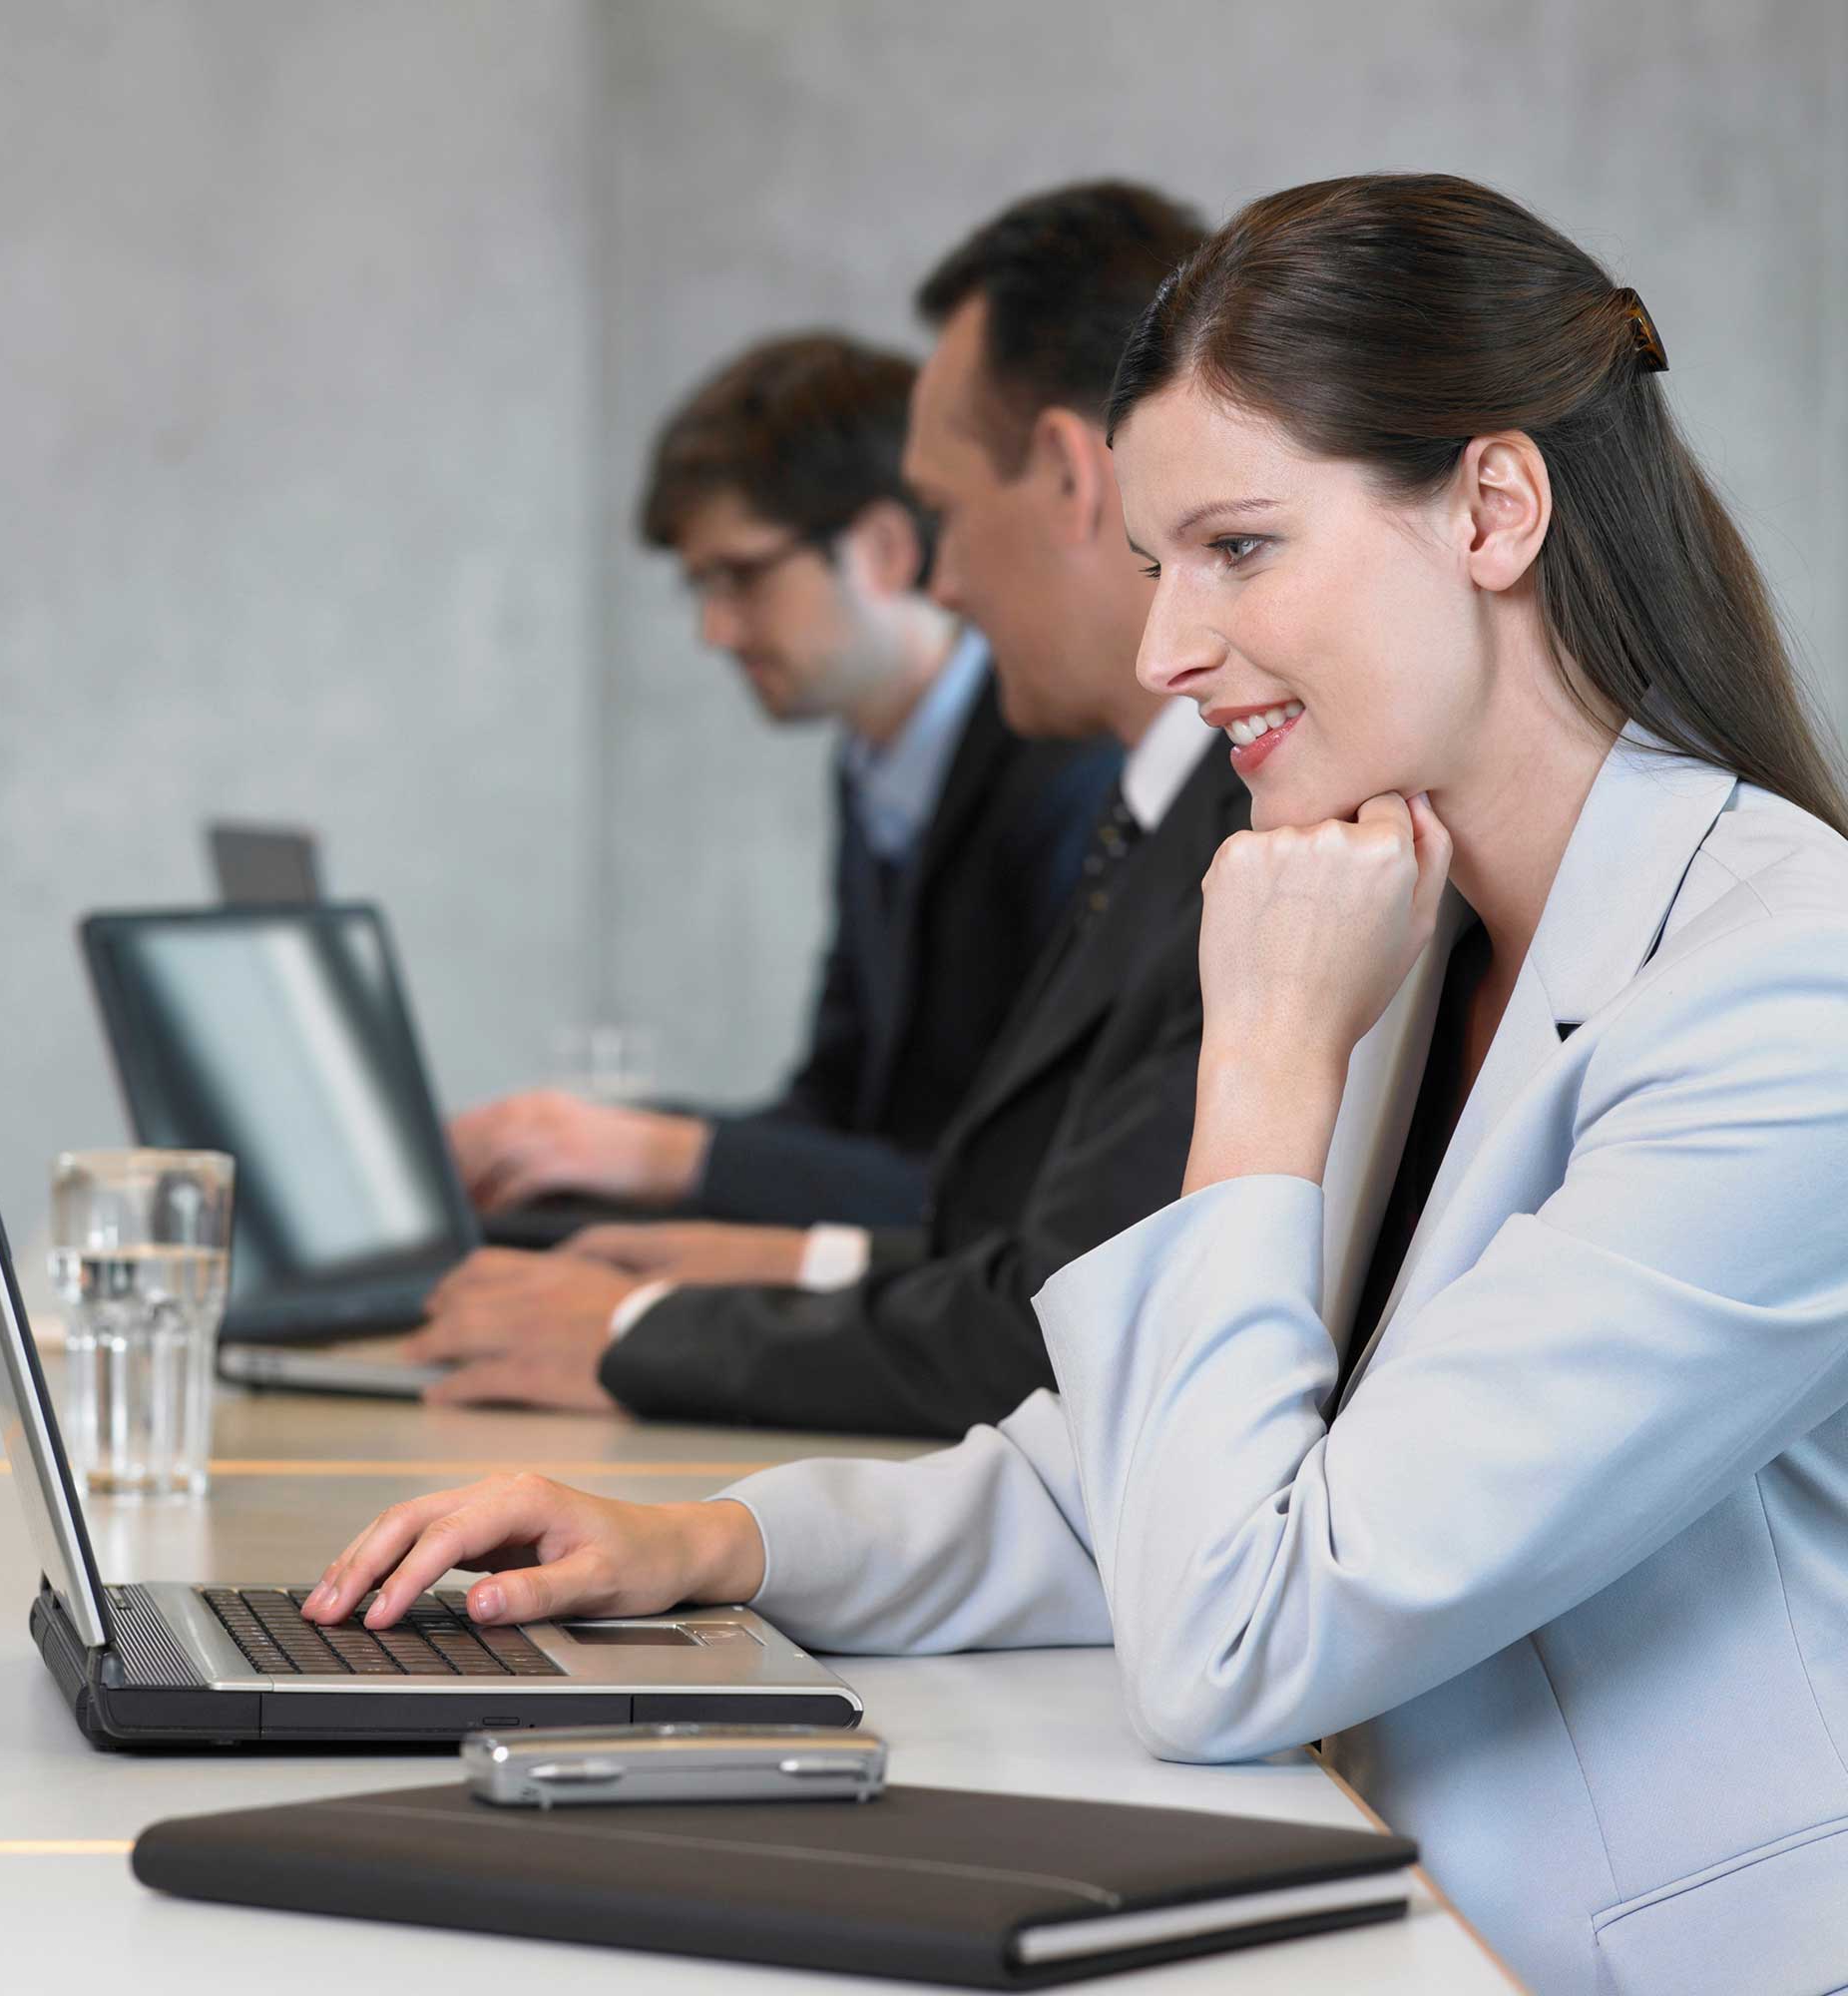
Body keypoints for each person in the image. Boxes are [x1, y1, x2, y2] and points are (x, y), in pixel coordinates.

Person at [308, 175, 1848, 1994]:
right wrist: (701, 1542)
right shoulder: (1418, 917)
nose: (1164, 653)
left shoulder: (1782, 1000)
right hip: (1375, 1900)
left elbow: (1247, 1633)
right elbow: (1134, 1476)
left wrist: (1268, 1069)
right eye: (1151, 565)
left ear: (1494, 508)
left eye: (1240, 548)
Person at [399, 183, 1248, 1433]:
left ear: (1070, 478)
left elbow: (1049, 1308)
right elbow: (988, 1225)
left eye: (947, 515)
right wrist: (737, 1260)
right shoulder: (1113, 797)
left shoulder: (1186, 818)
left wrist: (650, 1316)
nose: (948, 577)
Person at [453, 333, 1116, 1234]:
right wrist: (584, 1148)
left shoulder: (1069, 776)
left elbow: (1015, 1199)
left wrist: (659, 1154)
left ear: (884, 548)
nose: (715, 631)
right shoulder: (874, 771)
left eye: (741, 577)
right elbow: (836, 1110)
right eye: (700, 589)